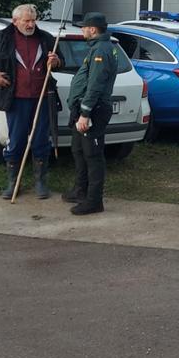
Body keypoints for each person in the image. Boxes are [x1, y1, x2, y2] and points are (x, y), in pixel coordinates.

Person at [0, 4, 62, 200]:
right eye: (26, 21)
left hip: (42, 98)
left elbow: (61, 62)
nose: (30, 24)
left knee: (41, 141)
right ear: (15, 21)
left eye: (33, 20)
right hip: (16, 99)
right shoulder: (2, 38)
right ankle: (13, 182)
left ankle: (40, 183)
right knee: (16, 140)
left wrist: (56, 62)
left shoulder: (45, 38)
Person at [63, 12, 119, 215]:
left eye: (84, 27)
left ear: (93, 29)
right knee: (78, 150)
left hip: (93, 110)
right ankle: (80, 190)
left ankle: (94, 201)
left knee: (92, 155)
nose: (82, 30)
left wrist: (85, 113)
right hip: (84, 108)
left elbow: (95, 84)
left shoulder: (101, 51)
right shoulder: (97, 48)